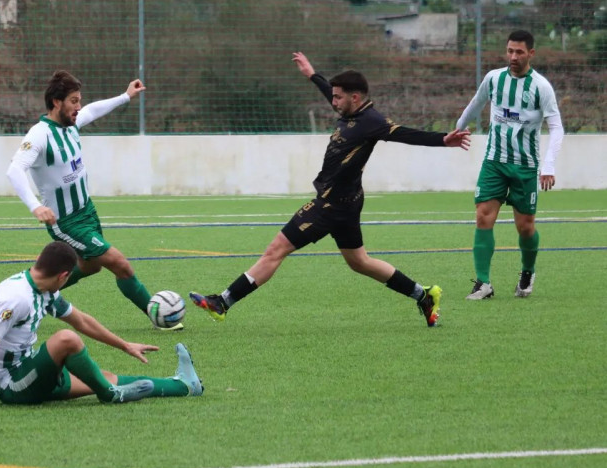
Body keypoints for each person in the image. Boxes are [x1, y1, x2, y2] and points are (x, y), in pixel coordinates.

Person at [190, 52, 472, 328]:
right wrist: (313, 75)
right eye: (333, 95)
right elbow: (330, 92)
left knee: (275, 250)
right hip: (346, 202)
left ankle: (223, 302)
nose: (333, 101)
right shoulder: (350, 110)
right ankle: (424, 295)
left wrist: (442, 140)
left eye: (339, 97)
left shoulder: (372, 122)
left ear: (356, 97)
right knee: (360, 262)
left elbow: (404, 133)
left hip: (330, 205)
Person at [7, 70, 175, 329]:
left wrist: (125, 96)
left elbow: (93, 111)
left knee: (91, 266)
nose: (78, 107)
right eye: (73, 101)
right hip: (66, 221)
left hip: (87, 211)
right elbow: (15, 169)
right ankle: (158, 315)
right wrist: (36, 206)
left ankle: (37, 294)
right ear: (56, 102)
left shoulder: (71, 125)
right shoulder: (39, 135)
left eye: (79, 100)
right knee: (120, 264)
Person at [0, 241, 203, 409]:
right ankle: (109, 394)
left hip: (30, 371)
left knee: (107, 378)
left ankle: (185, 385)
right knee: (66, 340)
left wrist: (124, 345)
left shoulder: (42, 289)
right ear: (63, 276)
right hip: (10, 385)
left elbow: (80, 320)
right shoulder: (15, 297)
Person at [456, 30, 564, 300]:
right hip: (494, 161)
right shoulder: (494, 79)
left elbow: (557, 127)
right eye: (510, 51)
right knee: (483, 216)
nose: (513, 56)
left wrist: (548, 165)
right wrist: (458, 128)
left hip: (525, 166)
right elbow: (477, 103)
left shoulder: (541, 87)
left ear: (531, 53)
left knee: (525, 226)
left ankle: (528, 271)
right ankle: (483, 283)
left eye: (519, 52)